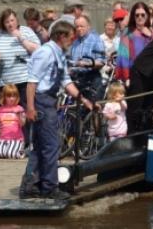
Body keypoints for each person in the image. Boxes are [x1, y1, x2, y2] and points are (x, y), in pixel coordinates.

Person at [22, 21, 93, 200]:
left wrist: (83, 100)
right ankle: (49, 187)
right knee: (51, 145)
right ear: (61, 37)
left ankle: (31, 185)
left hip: (49, 100)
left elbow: (66, 81)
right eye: (70, 38)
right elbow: (32, 82)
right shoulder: (45, 53)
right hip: (41, 100)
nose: (72, 41)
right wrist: (30, 108)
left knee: (40, 146)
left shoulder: (60, 54)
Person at [0, 8, 40, 108]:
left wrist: (21, 38)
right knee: (7, 115)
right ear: (3, 23)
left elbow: (38, 50)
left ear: (17, 20)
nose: (10, 24)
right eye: (7, 22)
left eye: (12, 20)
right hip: (5, 82)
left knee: (25, 111)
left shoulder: (26, 31)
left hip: (24, 80)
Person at [115, 2, 153, 85]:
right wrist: (127, 77)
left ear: (147, 15)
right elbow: (123, 55)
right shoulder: (128, 32)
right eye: (137, 15)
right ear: (133, 16)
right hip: (134, 76)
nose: (140, 17)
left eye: (143, 15)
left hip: (152, 75)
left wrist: (150, 36)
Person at [70, 15, 106, 101]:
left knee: (91, 109)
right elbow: (72, 61)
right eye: (77, 27)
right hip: (77, 79)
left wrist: (87, 64)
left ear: (88, 26)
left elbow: (102, 62)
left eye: (81, 26)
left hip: (91, 79)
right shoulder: (74, 42)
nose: (79, 29)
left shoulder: (96, 40)